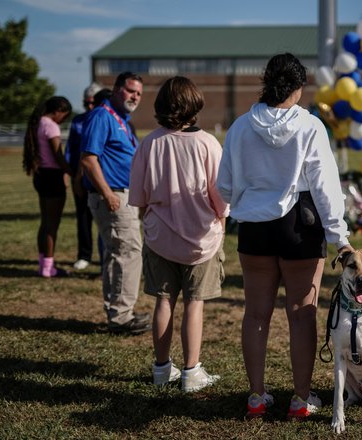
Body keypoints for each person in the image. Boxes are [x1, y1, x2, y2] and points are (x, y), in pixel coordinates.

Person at [217, 53, 353, 419]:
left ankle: (257, 397)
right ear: (297, 87)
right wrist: (340, 235)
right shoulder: (310, 126)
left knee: (256, 315)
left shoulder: (240, 127)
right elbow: (325, 187)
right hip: (301, 226)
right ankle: (301, 399)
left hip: (254, 229)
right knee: (301, 315)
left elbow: (224, 187)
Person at [129, 76, 229, 391]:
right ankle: (191, 372)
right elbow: (221, 198)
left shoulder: (150, 143)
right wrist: (222, 226)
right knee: (194, 304)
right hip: (202, 240)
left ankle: (162, 370)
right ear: (194, 105)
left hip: (160, 238)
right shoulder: (208, 144)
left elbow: (138, 197)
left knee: (163, 301)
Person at [80, 71, 150, 334]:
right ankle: (121, 316)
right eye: (131, 90)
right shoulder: (101, 115)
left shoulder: (120, 118)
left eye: (139, 94)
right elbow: (88, 159)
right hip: (113, 196)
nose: (135, 97)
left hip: (124, 195)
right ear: (117, 89)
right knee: (128, 253)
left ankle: (117, 311)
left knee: (116, 254)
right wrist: (108, 193)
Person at [22, 96, 73, 277]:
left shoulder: (38, 123)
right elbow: (58, 156)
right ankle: (48, 268)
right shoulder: (51, 126)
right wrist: (73, 172)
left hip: (41, 175)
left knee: (45, 223)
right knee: (53, 224)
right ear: (58, 111)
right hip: (53, 177)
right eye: (64, 116)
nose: (63, 120)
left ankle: (43, 263)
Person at [66, 83, 102, 271]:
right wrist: (72, 176)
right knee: (83, 216)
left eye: (92, 102)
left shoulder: (106, 119)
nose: (89, 106)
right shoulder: (78, 121)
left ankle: (105, 257)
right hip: (81, 176)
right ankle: (84, 254)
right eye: (86, 102)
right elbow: (71, 149)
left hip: (101, 178)